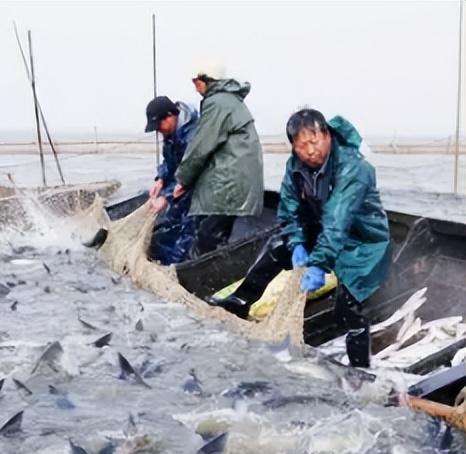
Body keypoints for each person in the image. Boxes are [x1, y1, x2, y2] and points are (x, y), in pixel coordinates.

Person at [210, 109, 391, 368]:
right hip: (324, 230)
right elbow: (288, 211)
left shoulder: (355, 168)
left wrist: (317, 263)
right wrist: (296, 244)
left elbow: (337, 220)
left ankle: (360, 368)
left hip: (362, 240)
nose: (309, 151)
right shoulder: (295, 166)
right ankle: (239, 302)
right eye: (301, 146)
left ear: (327, 135)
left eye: (314, 141)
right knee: (278, 247)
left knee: (349, 309)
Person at [172, 60, 264, 257]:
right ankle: (220, 263)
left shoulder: (216, 102)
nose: (196, 89)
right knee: (216, 233)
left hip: (229, 183)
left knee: (206, 236)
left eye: (197, 83)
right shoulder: (230, 100)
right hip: (240, 181)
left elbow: (201, 146)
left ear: (208, 80)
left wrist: (182, 179)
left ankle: (200, 277)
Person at [144, 95, 199, 265]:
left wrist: (166, 198)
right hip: (181, 186)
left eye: (159, 125)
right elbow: (169, 162)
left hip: (199, 187)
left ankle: (178, 268)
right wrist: (160, 179)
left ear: (170, 115)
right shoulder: (170, 135)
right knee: (169, 223)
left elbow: (191, 172)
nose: (159, 130)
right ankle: (164, 259)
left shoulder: (193, 136)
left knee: (188, 228)